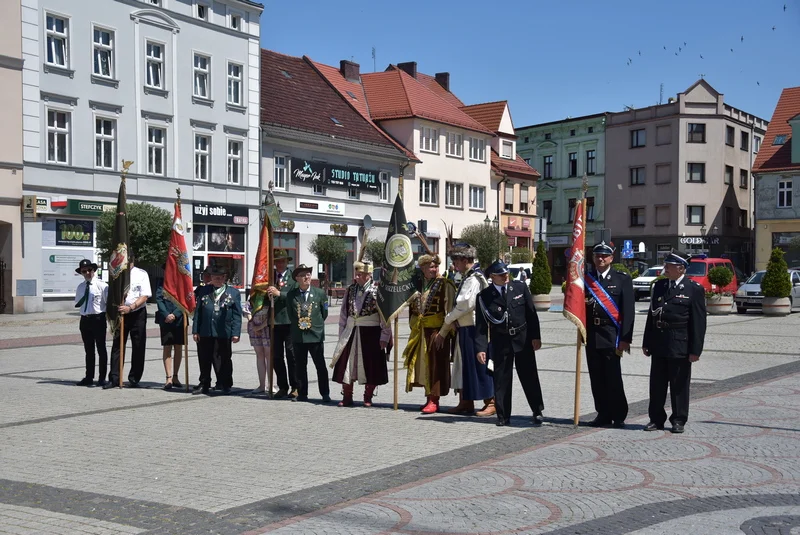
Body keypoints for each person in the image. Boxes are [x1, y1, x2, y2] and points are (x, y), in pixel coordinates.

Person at [643, 250, 707, 434]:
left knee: (679, 385)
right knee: (657, 385)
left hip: (680, 343)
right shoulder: (660, 286)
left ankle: (678, 419)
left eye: (669, 266)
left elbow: (699, 322)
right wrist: (647, 341)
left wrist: (695, 350)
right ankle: (656, 419)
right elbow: (652, 315)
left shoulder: (693, 289)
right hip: (659, 342)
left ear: (681, 268)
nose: (665, 268)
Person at [475, 261, 544, 427]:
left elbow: (531, 315)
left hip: (523, 339)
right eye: (501, 274)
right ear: (492, 277)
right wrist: (481, 348)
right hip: (501, 342)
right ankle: (503, 415)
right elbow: (481, 326)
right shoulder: (484, 296)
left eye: (506, 273)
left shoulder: (519, 288)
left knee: (529, 377)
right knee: (501, 380)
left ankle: (537, 411)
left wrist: (536, 337)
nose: (505, 276)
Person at [435, 244, 494, 416]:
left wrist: (448, 319)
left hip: (474, 329)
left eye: (455, 261)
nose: (454, 265)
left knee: (479, 365)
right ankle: (466, 401)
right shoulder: (468, 277)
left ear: (465, 260)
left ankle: (491, 401)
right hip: (465, 328)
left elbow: (465, 304)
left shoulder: (474, 279)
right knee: (464, 366)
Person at [584, 242, 634, 428]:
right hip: (592, 336)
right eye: (597, 255)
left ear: (611, 258)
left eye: (604, 256)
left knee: (613, 378)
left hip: (612, 336)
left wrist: (625, 339)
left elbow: (628, 311)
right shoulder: (586, 280)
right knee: (596, 379)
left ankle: (619, 414)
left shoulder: (622, 279)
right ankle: (602, 414)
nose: (601, 259)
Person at [330, 260, 391, 407]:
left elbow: (385, 315)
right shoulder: (351, 289)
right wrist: (341, 333)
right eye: (356, 274)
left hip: (371, 331)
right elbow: (344, 313)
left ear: (368, 275)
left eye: (359, 274)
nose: (356, 277)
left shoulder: (378, 290)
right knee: (347, 363)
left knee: (371, 363)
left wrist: (385, 335)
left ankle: (368, 396)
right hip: (351, 331)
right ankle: (347, 395)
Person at [403, 254, 456, 414]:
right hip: (421, 332)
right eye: (431, 267)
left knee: (436, 366)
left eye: (436, 267)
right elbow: (412, 309)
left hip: (437, 332)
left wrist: (443, 333)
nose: (434, 270)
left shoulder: (445, 285)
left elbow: (450, 312)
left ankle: (434, 400)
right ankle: (428, 397)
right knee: (424, 367)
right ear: (423, 268)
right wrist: (414, 324)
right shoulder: (417, 286)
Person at [192, 264, 242, 394]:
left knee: (224, 359)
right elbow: (198, 312)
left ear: (224, 278)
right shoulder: (204, 291)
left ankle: (224, 383)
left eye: (220, 277)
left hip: (224, 331)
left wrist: (236, 333)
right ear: (211, 277)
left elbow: (237, 315)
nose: (217, 279)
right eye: (215, 277)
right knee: (204, 358)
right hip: (205, 330)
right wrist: (195, 330)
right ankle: (204, 383)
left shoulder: (233, 293)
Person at [104, 253, 151, 389]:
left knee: (138, 345)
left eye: (129, 260)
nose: (127, 263)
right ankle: (114, 378)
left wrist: (131, 307)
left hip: (137, 313)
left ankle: (134, 378)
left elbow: (145, 296)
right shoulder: (117, 274)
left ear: (132, 260)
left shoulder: (141, 274)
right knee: (118, 345)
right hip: (121, 313)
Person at [286, 264, 330, 402]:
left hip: (315, 334)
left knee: (320, 366)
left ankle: (325, 393)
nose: (307, 277)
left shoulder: (320, 293)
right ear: (297, 278)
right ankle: (302, 393)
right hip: (299, 336)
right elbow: (290, 314)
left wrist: (314, 326)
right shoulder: (291, 295)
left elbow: (324, 313)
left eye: (308, 274)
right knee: (300, 366)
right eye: (303, 275)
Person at [266, 249, 298, 399]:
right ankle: (282, 386)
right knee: (276, 356)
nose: (280, 264)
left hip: (289, 321)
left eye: (282, 261)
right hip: (274, 321)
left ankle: (295, 386)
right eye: (277, 261)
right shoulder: (269, 278)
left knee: (291, 355)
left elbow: (296, 297)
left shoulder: (293, 278)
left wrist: (280, 294)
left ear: (287, 262)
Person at [74, 259, 109, 387]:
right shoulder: (81, 287)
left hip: (98, 319)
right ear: (81, 273)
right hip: (85, 320)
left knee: (101, 349)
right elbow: (79, 303)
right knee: (89, 350)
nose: (87, 273)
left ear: (94, 270)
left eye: (90, 270)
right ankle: (89, 377)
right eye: (84, 271)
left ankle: (102, 378)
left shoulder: (102, 285)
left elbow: (107, 303)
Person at [155, 277, 184, 390]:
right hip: (165, 319)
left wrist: (175, 314)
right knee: (167, 347)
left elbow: (185, 299)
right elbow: (159, 299)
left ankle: (176, 376)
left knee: (178, 347)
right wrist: (166, 314)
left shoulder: (182, 281)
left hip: (179, 319)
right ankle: (169, 377)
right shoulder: (162, 282)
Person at [243, 298, 271, 395]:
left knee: (269, 355)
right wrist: (252, 323)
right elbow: (247, 310)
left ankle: (271, 384)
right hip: (254, 327)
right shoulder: (253, 295)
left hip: (267, 327)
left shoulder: (269, 295)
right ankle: (261, 385)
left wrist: (260, 326)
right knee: (259, 355)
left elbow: (273, 314)